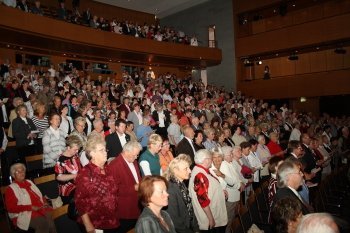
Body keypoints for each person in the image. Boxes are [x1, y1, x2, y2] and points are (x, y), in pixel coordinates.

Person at [74, 133, 120, 233]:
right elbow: (79, 201)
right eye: (101, 150)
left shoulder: (108, 169)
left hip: (112, 220)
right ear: (92, 153)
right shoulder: (85, 173)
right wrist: (88, 225)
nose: (106, 153)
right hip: (96, 223)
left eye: (105, 150)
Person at [5, 163, 57, 233]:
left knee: (51, 222)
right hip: (24, 214)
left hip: (40, 208)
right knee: (42, 223)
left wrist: (44, 202)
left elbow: (39, 195)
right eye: (18, 172)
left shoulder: (29, 182)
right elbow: (11, 208)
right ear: (13, 175)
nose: (21, 173)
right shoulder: (11, 189)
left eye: (22, 171)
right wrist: (30, 207)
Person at [189, 149, 227, 233]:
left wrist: (220, 191)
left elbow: (208, 188)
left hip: (214, 213)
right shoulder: (200, 174)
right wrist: (211, 219)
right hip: (210, 219)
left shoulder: (203, 171)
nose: (212, 160)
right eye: (211, 158)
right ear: (206, 160)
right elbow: (203, 200)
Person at [109, 141, 143, 233]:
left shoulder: (134, 161)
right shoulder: (114, 165)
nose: (136, 157)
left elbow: (137, 179)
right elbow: (114, 190)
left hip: (136, 205)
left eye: (137, 155)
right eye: (135, 155)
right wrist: (134, 188)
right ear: (126, 152)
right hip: (125, 210)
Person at [164, 154, 199, 233]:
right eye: (186, 169)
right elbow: (174, 220)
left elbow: (190, 209)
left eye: (189, 168)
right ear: (175, 170)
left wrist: (196, 228)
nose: (190, 171)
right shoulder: (170, 189)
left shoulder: (181, 183)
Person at [54, 135, 82, 204]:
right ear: (68, 147)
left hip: (77, 186)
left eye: (78, 149)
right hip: (67, 190)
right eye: (75, 149)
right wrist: (75, 176)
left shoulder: (75, 155)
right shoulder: (61, 160)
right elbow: (59, 177)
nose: (77, 151)